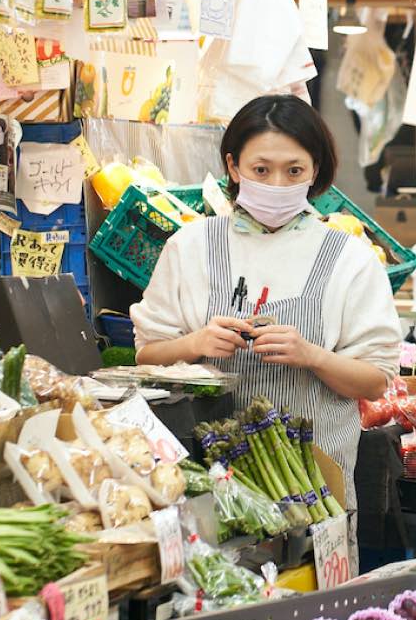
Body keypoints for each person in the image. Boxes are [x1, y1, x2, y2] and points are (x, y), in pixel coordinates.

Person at [131, 94, 401, 510]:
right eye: (261, 169)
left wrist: (313, 356)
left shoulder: (350, 258)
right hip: (207, 484)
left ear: (315, 172)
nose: (277, 184)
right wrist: (194, 344)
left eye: (294, 170)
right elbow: (146, 355)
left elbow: (376, 381)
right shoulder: (190, 247)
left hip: (316, 488)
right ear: (233, 166)